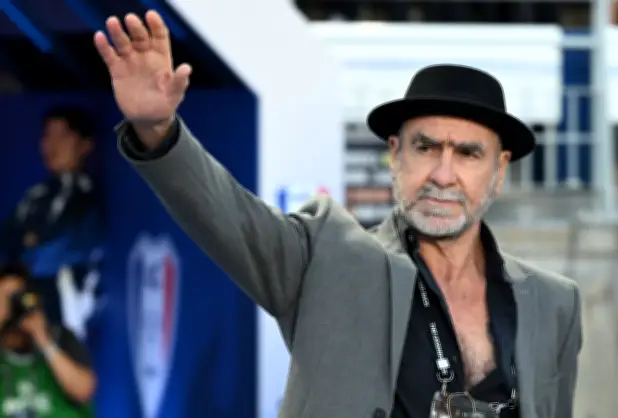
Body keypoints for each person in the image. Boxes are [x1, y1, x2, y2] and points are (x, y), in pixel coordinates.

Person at [93, 10, 582, 418]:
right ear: (395, 154)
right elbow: (227, 215)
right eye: (426, 147)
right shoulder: (325, 257)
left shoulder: (554, 303)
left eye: (469, 154)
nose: (443, 174)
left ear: (499, 170)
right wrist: (158, 130)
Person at [0, 107, 103, 329]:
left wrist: (20, 268)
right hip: (24, 313)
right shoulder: (37, 194)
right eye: (48, 136)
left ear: (85, 145)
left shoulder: (82, 193)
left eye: (62, 136)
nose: (52, 145)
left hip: (62, 318)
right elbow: (8, 238)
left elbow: (64, 248)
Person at [0, 262, 95, 417]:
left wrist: (43, 339)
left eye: (16, 296)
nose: (12, 306)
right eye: (5, 298)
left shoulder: (59, 337)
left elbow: (84, 391)